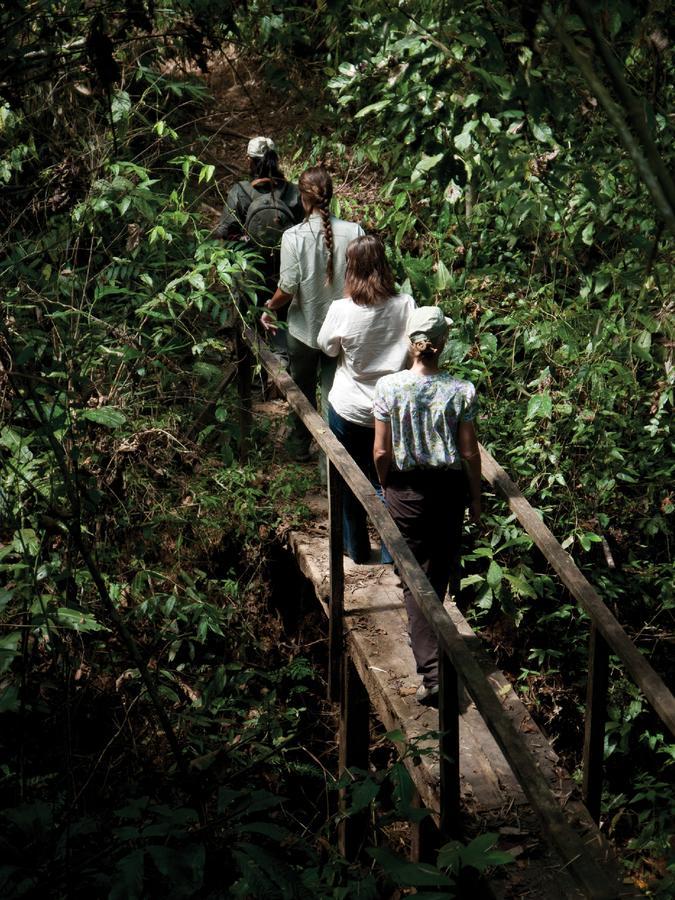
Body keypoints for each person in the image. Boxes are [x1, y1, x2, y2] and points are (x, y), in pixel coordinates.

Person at [372, 307, 481, 706]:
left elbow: (382, 451)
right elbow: (469, 453)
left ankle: (434, 673)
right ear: (443, 343)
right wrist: (475, 500)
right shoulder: (461, 389)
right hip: (449, 491)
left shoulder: (388, 388)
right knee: (432, 579)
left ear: (410, 341)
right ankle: (440, 658)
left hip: (407, 491)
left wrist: (386, 485)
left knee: (413, 580)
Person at [317, 235, 415, 564]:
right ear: (384, 265)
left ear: (351, 268)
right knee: (388, 481)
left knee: (348, 481)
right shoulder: (405, 305)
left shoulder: (341, 310)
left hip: (348, 408)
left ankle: (356, 549)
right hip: (391, 409)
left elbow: (327, 347)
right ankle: (391, 555)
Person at [261, 166, 364, 462]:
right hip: (343, 332)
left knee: (302, 393)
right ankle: (331, 462)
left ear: (302, 198)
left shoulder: (293, 236)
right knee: (335, 397)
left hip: (304, 330)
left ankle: (297, 447)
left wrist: (269, 308)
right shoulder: (354, 231)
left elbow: (288, 288)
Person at [213, 137, 303, 358]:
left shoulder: (240, 192)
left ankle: (244, 364)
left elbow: (224, 232)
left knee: (247, 328)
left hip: (249, 274)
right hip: (285, 275)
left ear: (249, 161)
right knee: (281, 328)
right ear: (277, 160)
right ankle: (282, 366)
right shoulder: (294, 193)